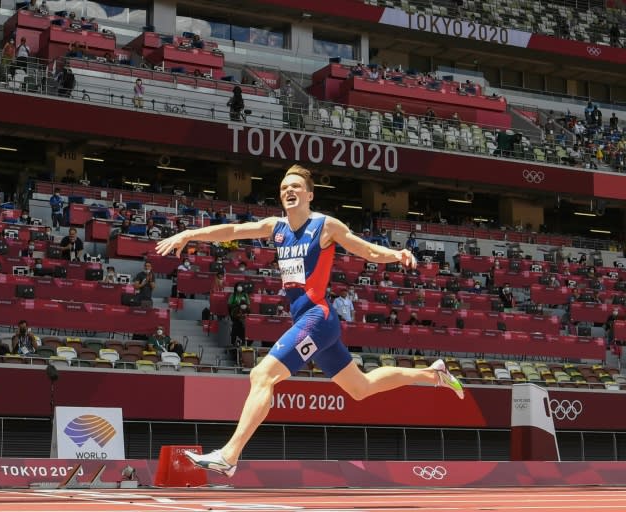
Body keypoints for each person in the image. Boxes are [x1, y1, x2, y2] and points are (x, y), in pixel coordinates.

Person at [155, 164, 464, 477]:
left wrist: (395, 254)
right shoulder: (276, 227)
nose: (289, 191)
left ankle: (229, 455)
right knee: (361, 387)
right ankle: (432, 374)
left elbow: (364, 249)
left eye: (296, 187)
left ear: (310, 194)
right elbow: (233, 231)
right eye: (284, 188)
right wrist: (190, 233)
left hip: (319, 317)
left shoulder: (325, 226)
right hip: (307, 320)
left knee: (262, 376)